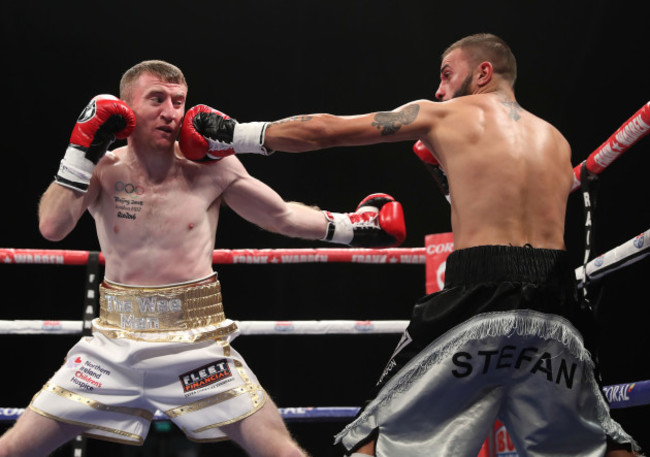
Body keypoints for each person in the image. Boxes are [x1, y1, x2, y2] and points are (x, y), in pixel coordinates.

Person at [179, 34, 642, 456]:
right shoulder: (558, 142)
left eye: (447, 74)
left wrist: (234, 136)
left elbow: (325, 130)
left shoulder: (442, 114)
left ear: (483, 73)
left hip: (477, 296)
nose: (440, 89)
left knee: (374, 436)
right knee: (598, 443)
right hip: (557, 306)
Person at [0, 60, 406, 457]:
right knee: (15, 447)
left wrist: (356, 227)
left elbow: (281, 215)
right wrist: (78, 151)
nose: (171, 113)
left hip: (198, 345)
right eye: (157, 99)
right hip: (114, 345)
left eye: (178, 101)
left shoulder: (213, 167)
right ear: (125, 107)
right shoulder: (101, 168)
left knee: (279, 449)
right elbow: (52, 227)